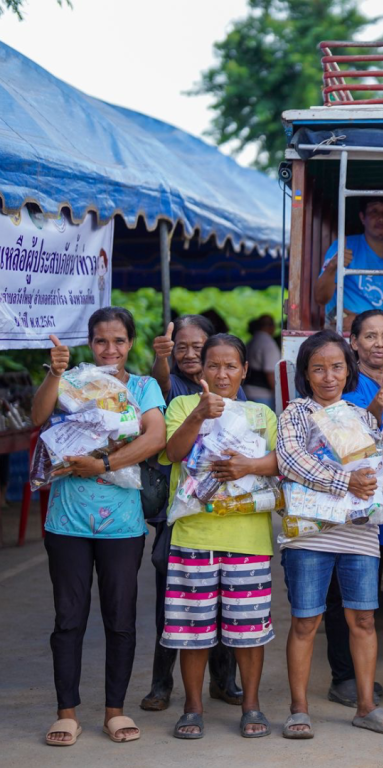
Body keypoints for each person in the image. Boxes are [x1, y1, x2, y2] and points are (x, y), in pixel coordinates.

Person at [32, 307, 166, 746]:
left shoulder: (144, 388)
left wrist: (101, 463)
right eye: (102, 341)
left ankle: (115, 711)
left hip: (123, 525)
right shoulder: (71, 382)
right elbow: (38, 418)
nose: (110, 350)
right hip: (67, 521)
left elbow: (155, 437)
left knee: (120, 619)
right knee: (68, 618)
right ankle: (66, 712)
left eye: (119, 341)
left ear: (131, 344)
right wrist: (54, 375)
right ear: (91, 343)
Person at [276, 330, 383, 737]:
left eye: (336, 367)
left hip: (359, 535)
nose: (328, 376)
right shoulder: (295, 413)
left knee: (363, 620)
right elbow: (291, 461)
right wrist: (343, 482)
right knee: (305, 622)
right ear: (306, 374)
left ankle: (366, 707)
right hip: (310, 536)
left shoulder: (361, 416)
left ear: (349, 370)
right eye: (318, 368)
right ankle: (299, 710)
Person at [159, 334, 279, 739]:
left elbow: (278, 462)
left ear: (244, 370)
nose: (222, 373)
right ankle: (192, 708)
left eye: (231, 366)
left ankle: (251, 705)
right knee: (193, 630)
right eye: (214, 365)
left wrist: (248, 465)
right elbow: (173, 454)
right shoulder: (180, 405)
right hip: (194, 535)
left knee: (248, 631)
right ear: (200, 369)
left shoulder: (261, 414)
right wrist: (197, 416)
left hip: (248, 537)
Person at [144, 313, 244, 712]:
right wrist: (161, 359)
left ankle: (224, 681)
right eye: (179, 346)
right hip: (178, 512)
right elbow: (162, 381)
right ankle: (161, 684)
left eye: (197, 347)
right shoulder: (169, 390)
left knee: (224, 602)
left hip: (221, 513)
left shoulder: (228, 388)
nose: (189, 353)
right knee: (173, 603)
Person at [324, 309, 383, 708]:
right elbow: (342, 445)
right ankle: (343, 677)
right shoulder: (343, 384)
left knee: (366, 600)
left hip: (382, 511)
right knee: (341, 599)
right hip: (345, 510)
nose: (379, 344)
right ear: (353, 342)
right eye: (369, 336)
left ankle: (358, 674)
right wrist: (376, 408)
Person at [314, 196, 383, 330]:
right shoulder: (342, 246)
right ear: (363, 218)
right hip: (343, 328)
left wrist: (362, 322)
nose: (381, 218)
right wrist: (332, 267)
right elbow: (321, 299)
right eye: (374, 211)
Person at [243, 314, 281, 407]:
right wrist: (279, 396)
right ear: (271, 327)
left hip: (247, 391)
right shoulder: (268, 343)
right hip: (263, 395)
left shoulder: (252, 340)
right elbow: (270, 372)